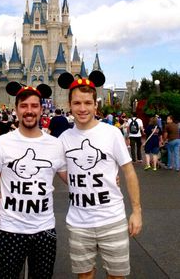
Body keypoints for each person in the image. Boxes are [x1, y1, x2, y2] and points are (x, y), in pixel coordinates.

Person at [58, 71, 142, 279]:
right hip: (79, 223)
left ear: (96, 105)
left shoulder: (111, 133)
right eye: (77, 103)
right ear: (70, 105)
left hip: (111, 218)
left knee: (116, 275)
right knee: (84, 275)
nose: (82, 108)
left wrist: (137, 211)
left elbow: (129, 172)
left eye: (88, 102)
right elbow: (59, 169)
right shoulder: (63, 139)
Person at [0, 82, 66, 279]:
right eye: (24, 106)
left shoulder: (55, 145)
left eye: (34, 106)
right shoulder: (2, 143)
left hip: (44, 229)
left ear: (41, 109)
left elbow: (70, 177)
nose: (29, 111)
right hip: (10, 230)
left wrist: (106, 178)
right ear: (16, 109)